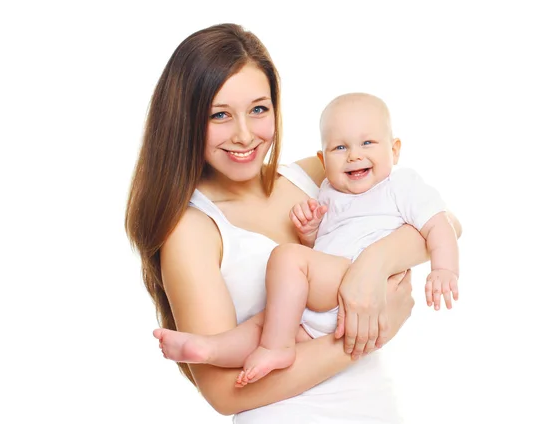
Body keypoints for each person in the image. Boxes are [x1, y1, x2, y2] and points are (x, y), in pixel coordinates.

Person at [126, 23, 462, 423]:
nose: (244, 134)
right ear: (186, 120)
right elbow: (224, 394)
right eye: (220, 115)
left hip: (373, 406)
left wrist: (372, 265)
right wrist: (368, 334)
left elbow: (443, 223)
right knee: (260, 327)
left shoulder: (319, 174)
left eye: (258, 109)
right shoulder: (192, 230)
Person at [153, 92, 460, 388]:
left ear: (394, 150)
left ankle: (277, 348)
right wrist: (311, 233)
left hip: (343, 284)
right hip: (322, 307)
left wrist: (442, 269)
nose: (354, 155)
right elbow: (328, 243)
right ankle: (212, 350)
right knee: (266, 324)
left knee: (288, 258)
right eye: (340, 148)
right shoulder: (329, 188)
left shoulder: (400, 185)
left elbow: (443, 224)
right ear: (322, 158)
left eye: (368, 142)